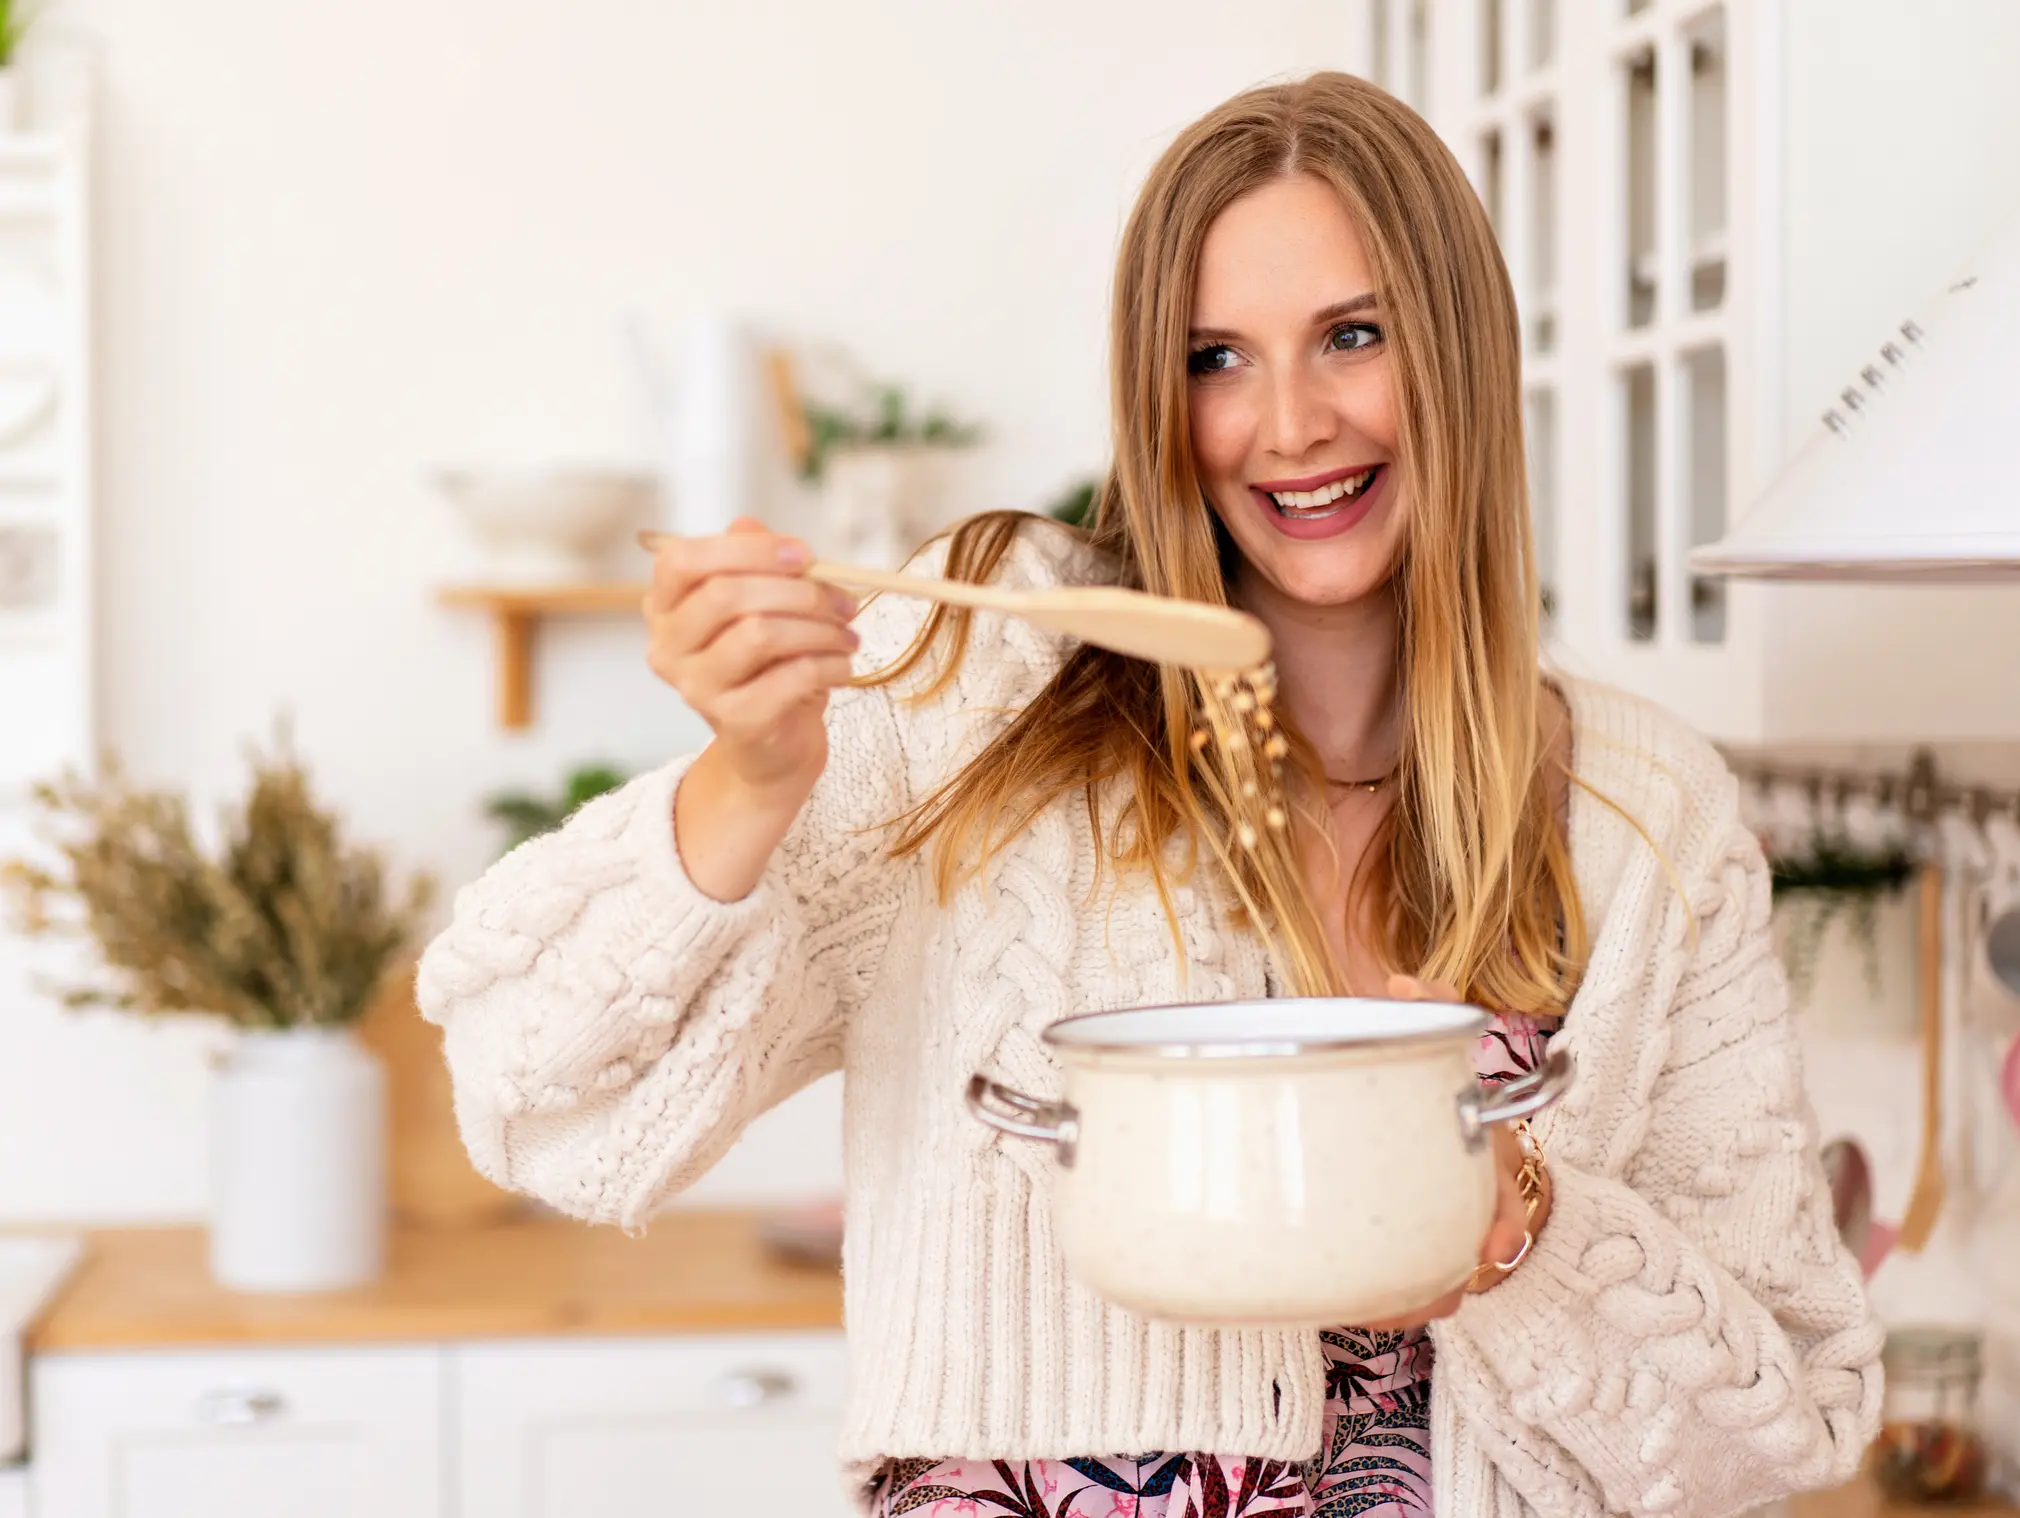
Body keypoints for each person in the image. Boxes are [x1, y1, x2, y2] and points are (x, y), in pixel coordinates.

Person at [417, 72, 1882, 1517]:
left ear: (1459, 349)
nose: (1291, 422)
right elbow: (532, 1089)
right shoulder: (987, 680)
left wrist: (1527, 1230)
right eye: (1216, 359)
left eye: (1352, 336)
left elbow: (1783, 1427)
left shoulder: (1642, 810)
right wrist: (751, 778)